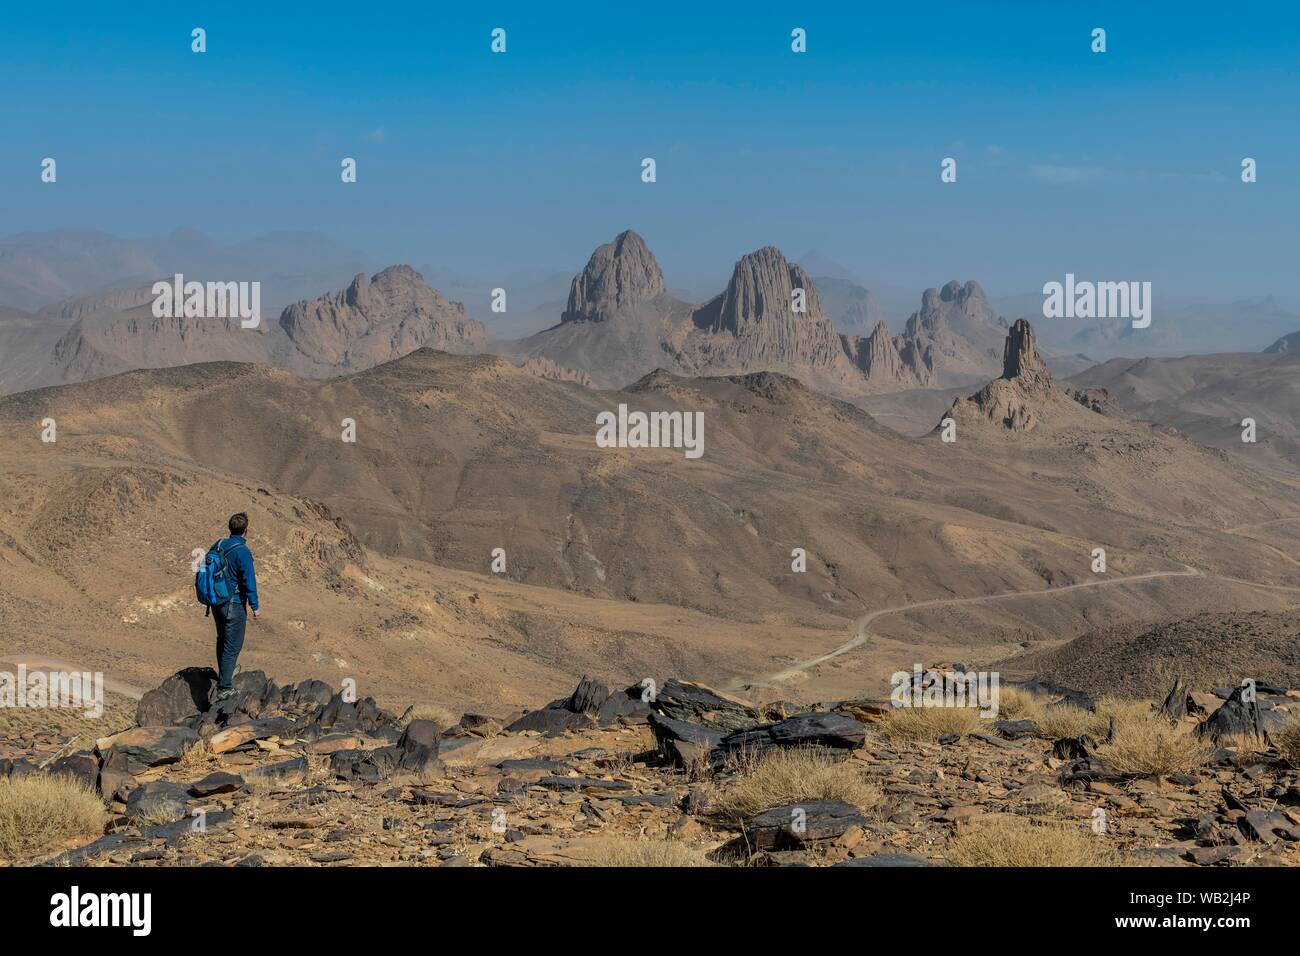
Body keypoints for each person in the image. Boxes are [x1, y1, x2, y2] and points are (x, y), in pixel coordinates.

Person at [211, 512, 260, 701]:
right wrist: (255, 605)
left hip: (217, 601)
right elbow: (249, 580)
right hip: (234, 603)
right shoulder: (243, 552)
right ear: (246, 530)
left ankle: (224, 674)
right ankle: (225, 687)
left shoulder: (219, 544)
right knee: (233, 645)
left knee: (222, 639)